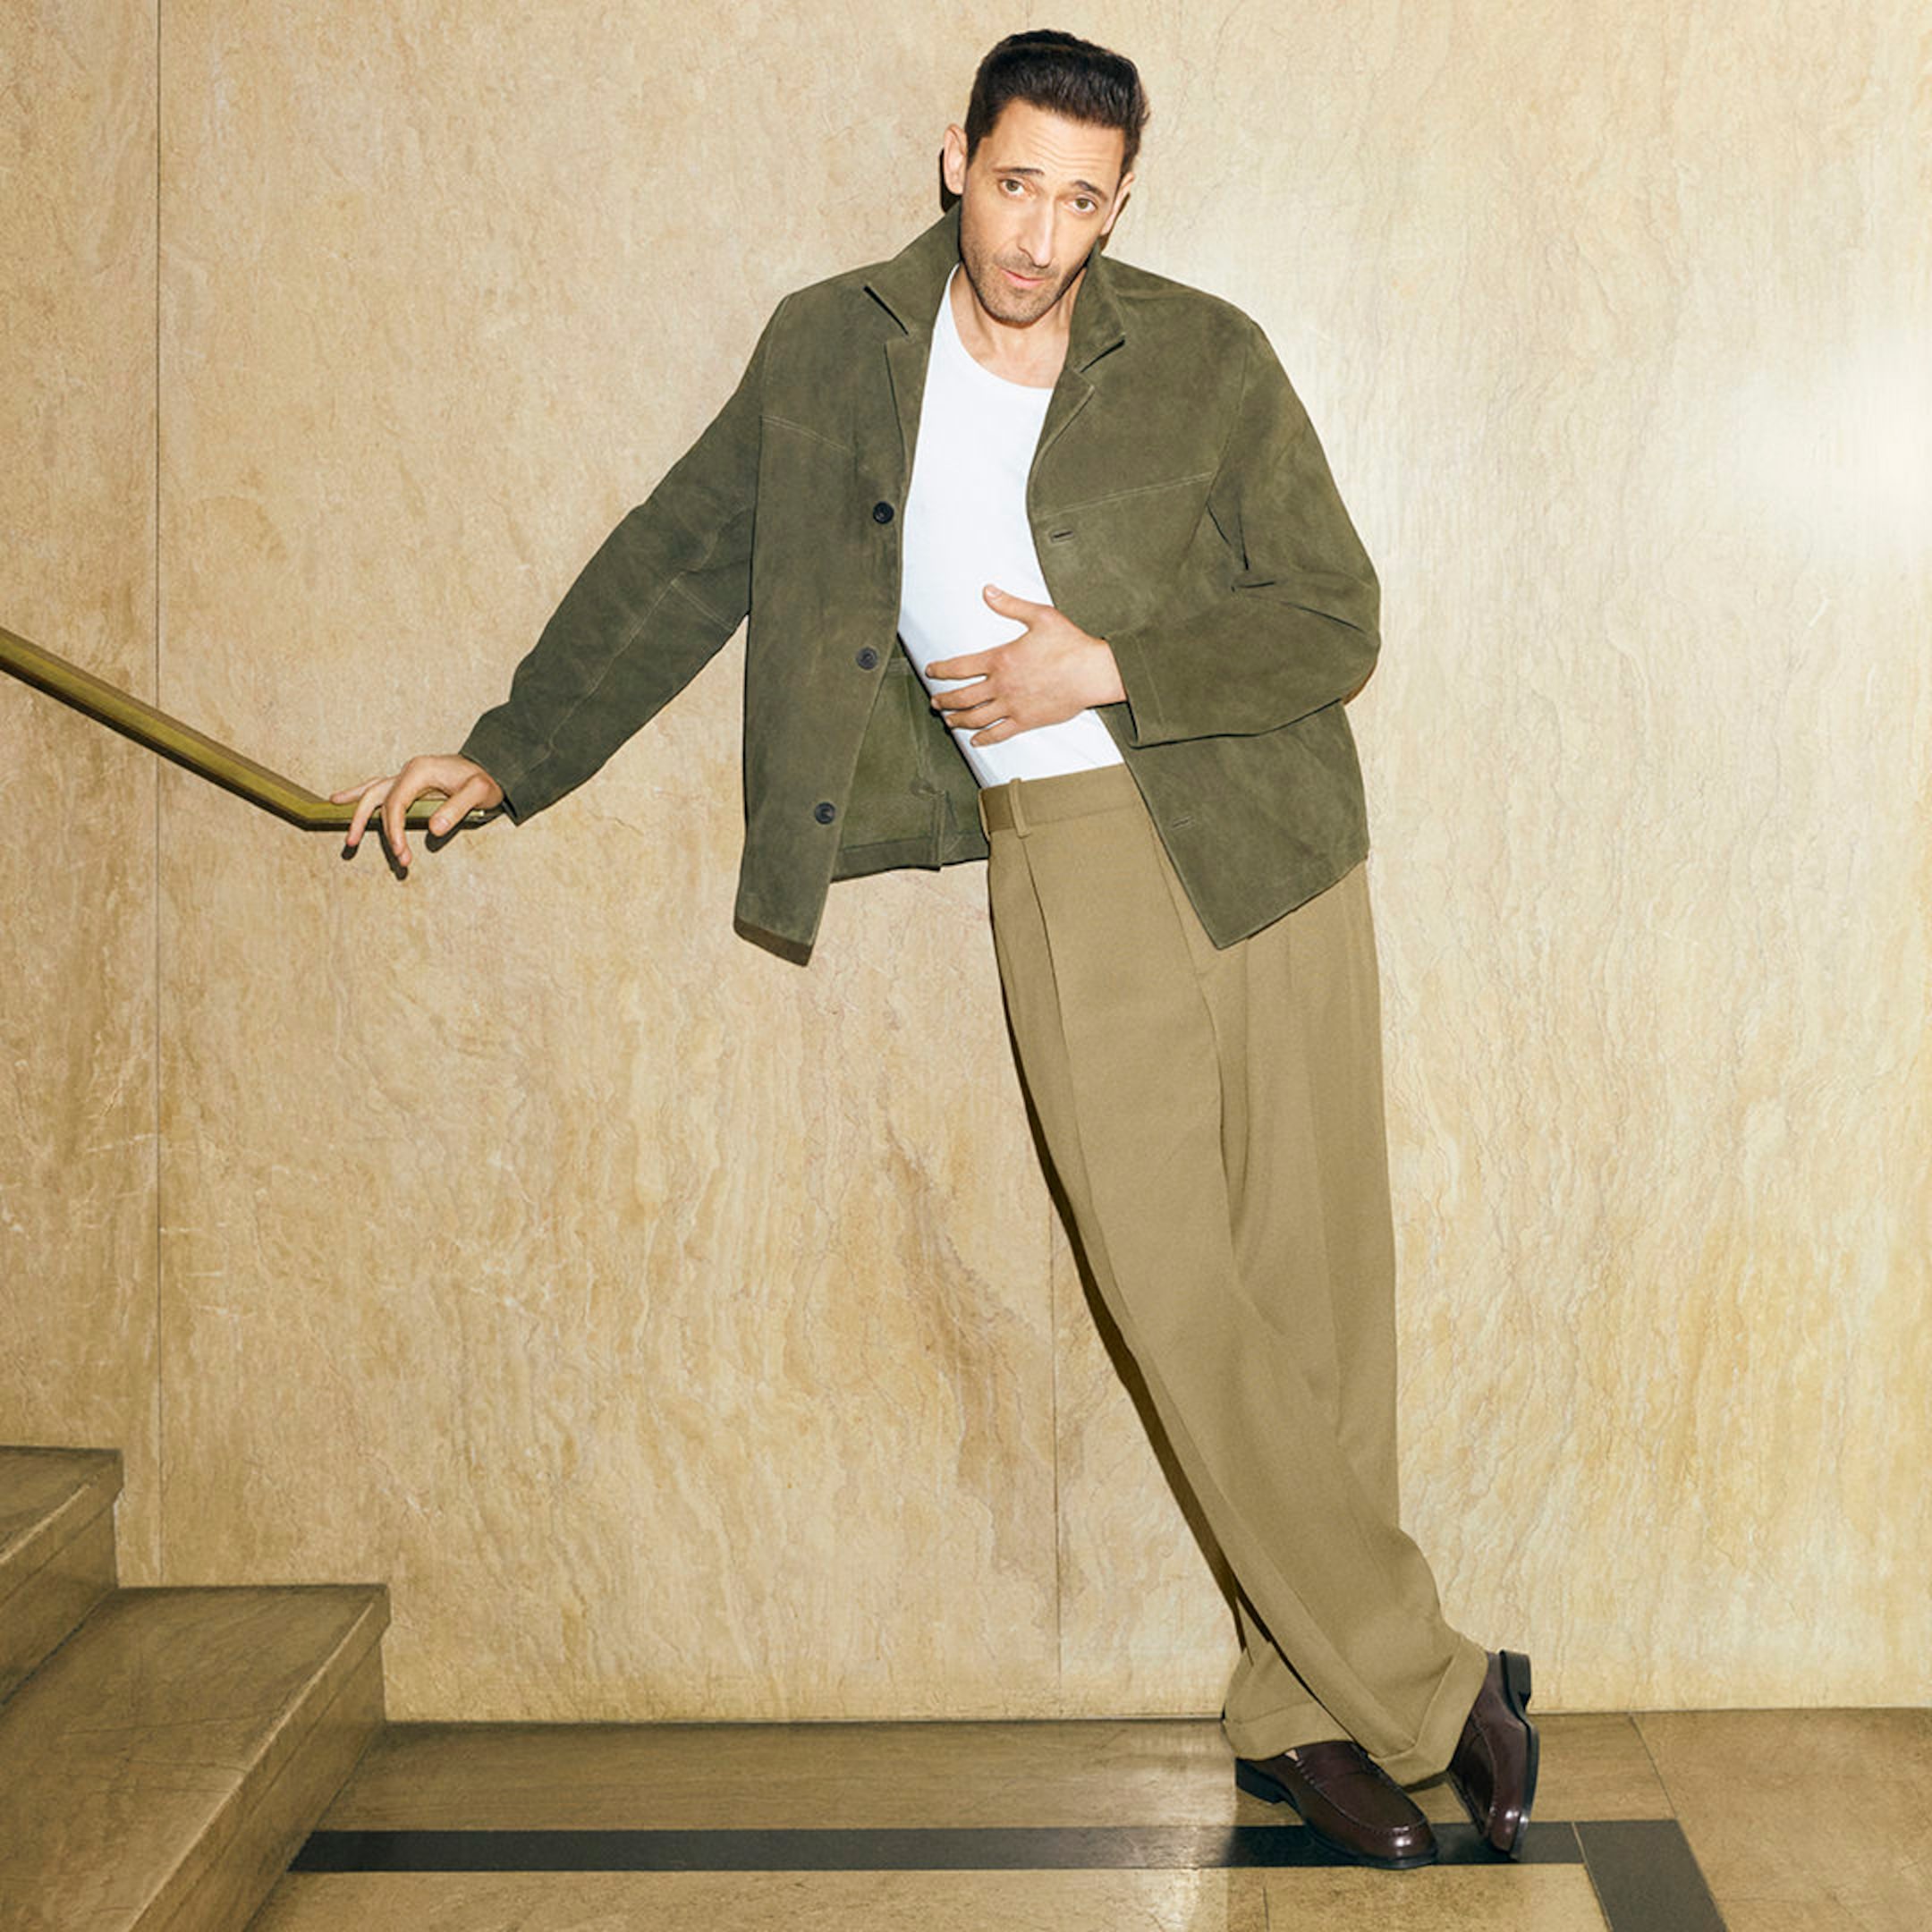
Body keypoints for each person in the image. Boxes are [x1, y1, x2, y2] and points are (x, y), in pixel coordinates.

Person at [334, 30, 1538, 1869]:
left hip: (1267, 841)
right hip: (1067, 855)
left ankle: (1304, 1708)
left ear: (1121, 206)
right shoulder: (832, 351)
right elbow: (679, 557)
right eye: (1017, 182)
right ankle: (1436, 1686)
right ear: (955, 158)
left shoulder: (1206, 357)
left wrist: (1108, 663)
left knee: (1312, 1300)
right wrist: (509, 751)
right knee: (1177, 1299)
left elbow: (1334, 618)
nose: (1040, 234)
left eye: (1083, 200)